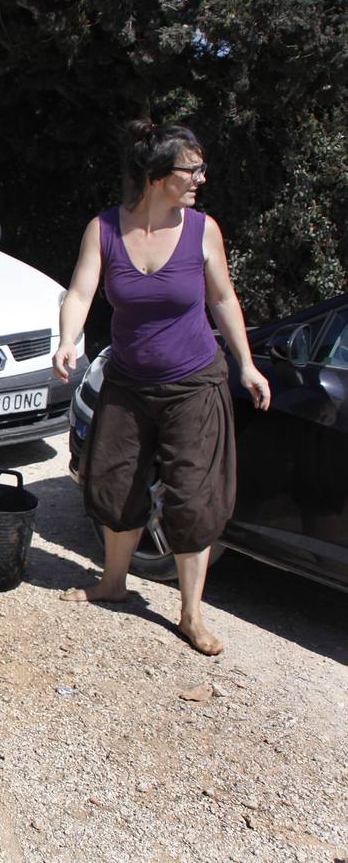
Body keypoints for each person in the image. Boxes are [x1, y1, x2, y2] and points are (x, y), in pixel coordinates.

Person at [53, 120, 271, 655]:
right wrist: (68, 339)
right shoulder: (104, 229)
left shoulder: (203, 230)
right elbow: (81, 292)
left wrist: (244, 363)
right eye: (190, 169)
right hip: (128, 380)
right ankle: (113, 583)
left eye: (199, 168)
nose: (201, 177)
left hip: (194, 382)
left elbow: (222, 300)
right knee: (113, 481)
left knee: (194, 496)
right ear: (156, 176)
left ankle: (192, 614)